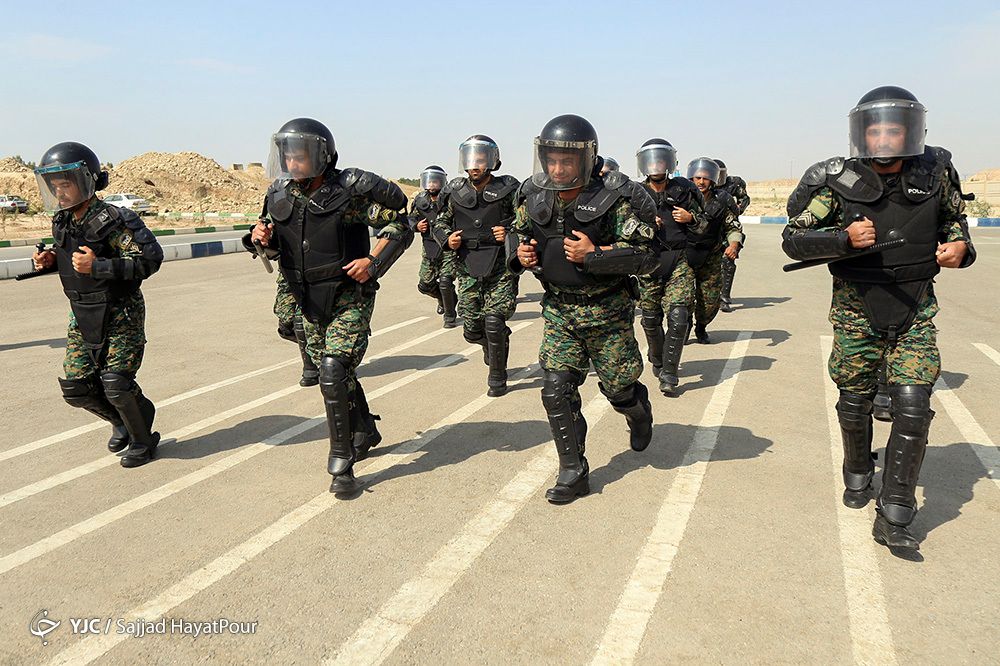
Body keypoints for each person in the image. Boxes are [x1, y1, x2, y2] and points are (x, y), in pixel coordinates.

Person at [782, 86, 975, 550]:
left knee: (913, 406)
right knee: (855, 400)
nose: (885, 137)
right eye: (876, 129)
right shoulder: (841, 182)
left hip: (915, 306)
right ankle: (857, 469)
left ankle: (895, 511)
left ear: (911, 130)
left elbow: (955, 221)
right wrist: (842, 238)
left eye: (895, 128)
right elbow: (794, 238)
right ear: (862, 133)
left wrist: (962, 249)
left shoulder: (935, 173)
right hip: (856, 310)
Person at [247, 118, 413, 495]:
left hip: (346, 295)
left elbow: (397, 225)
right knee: (335, 374)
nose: (293, 162)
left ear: (321, 156)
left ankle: (342, 463)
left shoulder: (346, 196)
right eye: (287, 155)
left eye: (300, 155)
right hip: (305, 297)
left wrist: (373, 261)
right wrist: (260, 238)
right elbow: (272, 244)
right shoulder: (278, 195)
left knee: (333, 370)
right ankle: (364, 429)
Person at [510, 114, 658, 504]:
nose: (559, 169)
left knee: (619, 389)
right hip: (560, 310)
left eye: (567, 161)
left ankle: (638, 411)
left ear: (586, 160)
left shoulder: (614, 199)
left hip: (608, 313)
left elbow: (647, 254)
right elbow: (517, 234)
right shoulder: (533, 196)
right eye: (552, 160)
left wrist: (597, 255)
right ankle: (574, 472)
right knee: (556, 390)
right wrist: (522, 254)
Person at [32, 142, 164, 467]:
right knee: (77, 388)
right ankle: (121, 421)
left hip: (121, 312)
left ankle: (143, 439)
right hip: (81, 313)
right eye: (55, 186)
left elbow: (150, 259)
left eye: (67, 184)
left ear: (86, 181)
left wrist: (100, 266)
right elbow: (70, 257)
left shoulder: (115, 220)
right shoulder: (62, 221)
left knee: (117, 384)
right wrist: (49, 260)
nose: (60, 192)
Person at [432, 135, 519, 397]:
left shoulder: (508, 189)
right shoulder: (455, 191)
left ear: (492, 161)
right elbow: (440, 223)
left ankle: (497, 377)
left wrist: (510, 233)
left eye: (480, 160)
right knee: (471, 330)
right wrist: (447, 239)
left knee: (494, 322)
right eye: (470, 160)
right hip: (467, 266)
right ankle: (492, 345)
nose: (474, 166)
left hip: (500, 266)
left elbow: (525, 221)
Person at [634, 138, 707, 394]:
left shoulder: (685, 189)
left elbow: (706, 224)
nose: (656, 165)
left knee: (679, 316)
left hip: (679, 259)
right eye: (652, 160)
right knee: (651, 319)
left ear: (669, 162)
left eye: (661, 160)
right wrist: (644, 223)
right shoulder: (634, 192)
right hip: (648, 262)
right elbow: (622, 229)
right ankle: (658, 359)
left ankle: (670, 372)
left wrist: (691, 218)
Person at [684, 157, 741, 344]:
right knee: (682, 297)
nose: (701, 182)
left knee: (709, 299)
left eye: (706, 178)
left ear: (713, 180)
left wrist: (733, 245)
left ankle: (701, 326)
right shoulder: (682, 197)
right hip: (684, 255)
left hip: (711, 255)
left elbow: (732, 227)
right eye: (698, 177)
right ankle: (683, 327)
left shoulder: (722, 201)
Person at [409, 165, 457, 328]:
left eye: (436, 181)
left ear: (442, 182)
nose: (432, 185)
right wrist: (416, 226)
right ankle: (444, 299)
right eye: (429, 181)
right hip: (428, 248)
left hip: (448, 248)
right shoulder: (420, 200)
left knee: (445, 281)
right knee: (425, 285)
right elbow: (410, 219)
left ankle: (450, 315)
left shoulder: (451, 199)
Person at [714, 159, 750, 312]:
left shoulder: (733, 184)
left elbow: (745, 199)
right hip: (709, 230)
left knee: (728, 262)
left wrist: (738, 208)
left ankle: (724, 297)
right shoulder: (703, 185)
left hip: (729, 228)